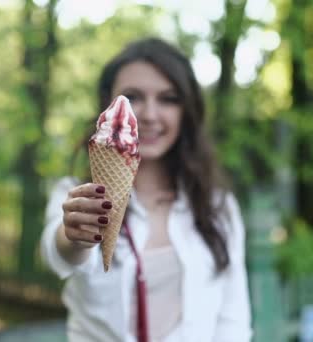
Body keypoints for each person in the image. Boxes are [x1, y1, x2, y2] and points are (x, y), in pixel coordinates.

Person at [40, 37, 251, 342]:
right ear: (107, 104)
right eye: (133, 96)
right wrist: (74, 234)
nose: (150, 114)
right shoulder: (77, 195)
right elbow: (56, 254)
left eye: (168, 98)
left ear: (186, 110)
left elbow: (233, 318)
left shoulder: (217, 206)